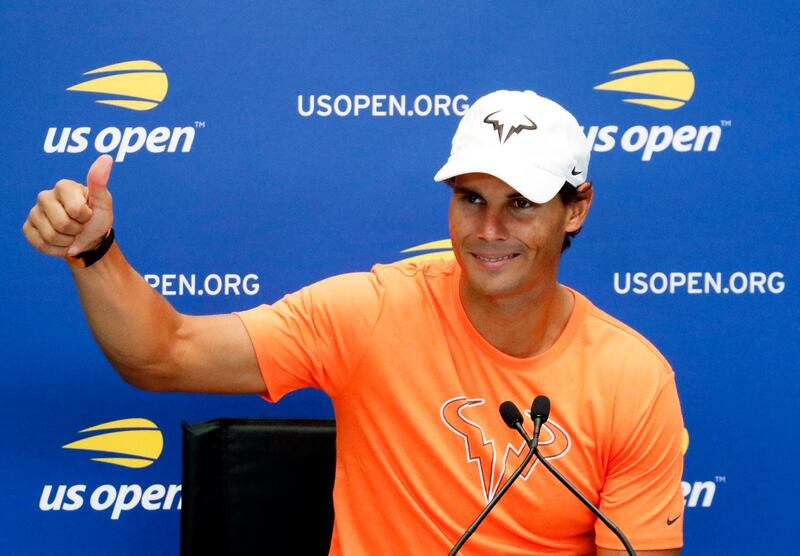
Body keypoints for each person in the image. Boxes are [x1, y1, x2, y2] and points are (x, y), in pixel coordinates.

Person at [23, 90, 684, 555]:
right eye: (471, 199)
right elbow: (163, 354)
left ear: (575, 209)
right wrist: (93, 252)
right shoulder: (371, 312)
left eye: (520, 204)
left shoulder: (631, 378)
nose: (489, 230)